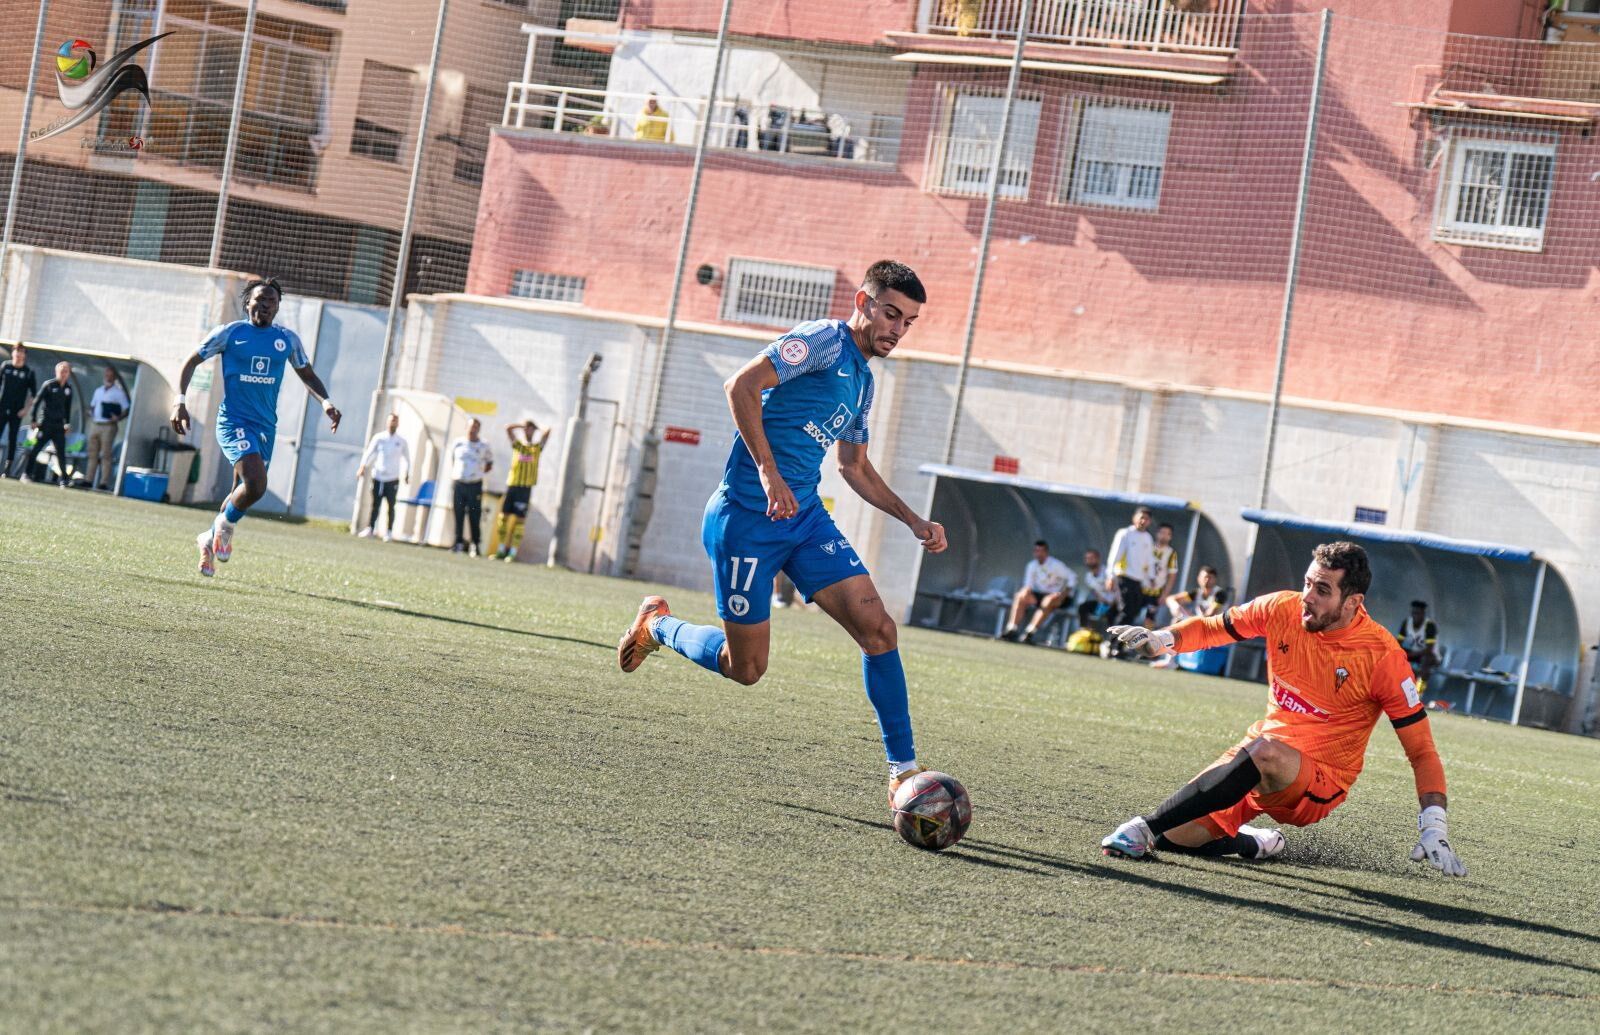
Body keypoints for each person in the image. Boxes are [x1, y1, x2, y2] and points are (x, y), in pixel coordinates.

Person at [616, 261, 948, 803]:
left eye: (909, 322)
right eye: (891, 314)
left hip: (803, 520)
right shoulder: (821, 340)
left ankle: (903, 771)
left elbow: (854, 467)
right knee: (745, 669)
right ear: (864, 304)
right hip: (745, 520)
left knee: (879, 630)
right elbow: (741, 386)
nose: (897, 329)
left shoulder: (863, 382)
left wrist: (913, 520)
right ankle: (659, 626)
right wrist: (769, 472)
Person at [1098, 542, 1467, 878]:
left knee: (1261, 755)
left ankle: (1140, 828)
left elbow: (1421, 752)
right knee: (1175, 837)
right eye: (1308, 583)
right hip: (1260, 754)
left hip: (1319, 780)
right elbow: (1213, 628)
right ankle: (1253, 843)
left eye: (1323, 590)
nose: (1307, 597)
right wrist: (1160, 641)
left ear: (1353, 602)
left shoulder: (1383, 657)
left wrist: (1434, 825)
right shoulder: (1281, 608)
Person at [171, 278, 342, 577]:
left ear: (277, 307)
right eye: (259, 299)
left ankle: (208, 540)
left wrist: (326, 402)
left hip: (265, 427)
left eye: (271, 301)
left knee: (245, 491)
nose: (264, 305)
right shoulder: (230, 333)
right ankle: (225, 527)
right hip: (234, 421)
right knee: (257, 483)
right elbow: (190, 362)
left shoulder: (287, 340)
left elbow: (307, 375)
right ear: (247, 302)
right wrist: (180, 401)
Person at [490, 418, 550, 561]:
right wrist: (522, 425)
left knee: (519, 520)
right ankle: (501, 549)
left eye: (530, 429)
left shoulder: (536, 448)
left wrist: (536, 427)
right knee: (503, 518)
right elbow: (508, 427)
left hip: (525, 488)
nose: (527, 430)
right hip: (512, 485)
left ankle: (512, 552)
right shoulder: (518, 445)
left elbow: (548, 431)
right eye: (526, 428)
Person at [1103, 506, 1158, 655]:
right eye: (1141, 517)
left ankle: (1118, 646)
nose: (1143, 521)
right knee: (1127, 610)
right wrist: (1110, 576)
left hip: (1137, 581)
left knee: (1132, 612)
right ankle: (1110, 642)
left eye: (1146, 519)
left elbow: (1149, 561)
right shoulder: (1125, 534)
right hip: (1123, 577)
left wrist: (1151, 577)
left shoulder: (1147, 538)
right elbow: (1114, 555)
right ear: (1134, 518)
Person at [1000, 539, 1076, 644]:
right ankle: (1012, 629)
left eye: (1041, 551)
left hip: (1060, 597)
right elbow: (1028, 585)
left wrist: (1062, 595)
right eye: (1036, 551)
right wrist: (1024, 592)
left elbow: (1072, 578)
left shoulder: (1056, 565)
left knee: (1048, 601)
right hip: (1041, 595)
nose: (1038, 554)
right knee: (1020, 596)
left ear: (1046, 552)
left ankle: (1030, 632)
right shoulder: (1031, 566)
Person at [357, 412, 411, 541]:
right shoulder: (379, 437)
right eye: (391, 420)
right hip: (379, 476)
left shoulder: (401, 441)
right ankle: (370, 528)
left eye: (395, 421)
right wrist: (362, 466)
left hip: (392, 479)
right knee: (376, 503)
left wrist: (407, 473)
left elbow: (407, 458)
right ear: (387, 422)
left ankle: (389, 531)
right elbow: (369, 452)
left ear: (398, 423)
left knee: (391, 505)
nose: (393, 423)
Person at [21, 361, 74, 486]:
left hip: (59, 426)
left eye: (66, 371)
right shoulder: (49, 385)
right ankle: (27, 474)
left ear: (69, 374)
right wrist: (34, 419)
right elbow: (37, 402)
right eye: (61, 371)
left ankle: (64, 479)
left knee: (61, 453)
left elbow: (68, 408)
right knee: (36, 449)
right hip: (45, 424)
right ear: (57, 372)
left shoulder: (68, 389)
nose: (63, 373)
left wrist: (68, 423)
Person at [448, 418, 493, 556]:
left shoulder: (484, 445)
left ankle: (475, 544)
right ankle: (458, 543)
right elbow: (453, 460)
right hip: (460, 483)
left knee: (474, 514)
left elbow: (489, 464)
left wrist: (477, 473)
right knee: (458, 513)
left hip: (474, 485)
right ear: (466, 427)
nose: (473, 429)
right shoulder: (458, 443)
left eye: (476, 427)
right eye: (471, 426)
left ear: (478, 429)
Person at [84, 365, 130, 490]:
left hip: (108, 426)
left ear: (114, 377)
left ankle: (103, 482)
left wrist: (118, 417)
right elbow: (93, 405)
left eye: (110, 375)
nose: (108, 377)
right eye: (106, 375)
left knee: (105, 455)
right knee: (92, 454)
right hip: (95, 424)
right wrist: (90, 411)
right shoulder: (98, 390)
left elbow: (126, 409)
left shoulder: (118, 393)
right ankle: (88, 479)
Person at [0, 343, 38, 477]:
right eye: (16, 351)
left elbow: (33, 394)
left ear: (25, 355)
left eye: (21, 351)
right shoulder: (6, 366)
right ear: (13, 353)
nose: (18, 354)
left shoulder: (28, 372)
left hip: (17, 411)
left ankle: (7, 468)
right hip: (2, 408)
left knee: (12, 438)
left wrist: (26, 409)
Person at [1397, 600, 1442, 692]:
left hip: (1430, 656)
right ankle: (1395, 691)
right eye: (1413, 613)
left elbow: (1429, 649)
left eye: (1417, 613)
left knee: (1426, 661)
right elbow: (1399, 642)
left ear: (1423, 614)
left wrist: (1410, 655)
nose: (1415, 616)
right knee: (1395, 657)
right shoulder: (1407, 623)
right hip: (1412, 654)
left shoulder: (1429, 625)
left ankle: (1418, 692)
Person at [1143, 522, 1180, 623]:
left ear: (1170, 537)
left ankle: (1147, 638)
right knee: (1130, 612)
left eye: (1167, 534)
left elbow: (1172, 576)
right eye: (1162, 532)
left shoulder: (1171, 553)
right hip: (1140, 587)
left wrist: (1165, 594)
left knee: (1150, 618)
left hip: (1156, 591)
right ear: (1157, 533)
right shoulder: (1147, 547)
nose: (1164, 536)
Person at [1076, 548, 1119, 631]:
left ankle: (1113, 639)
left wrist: (1112, 602)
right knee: (1083, 607)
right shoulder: (1088, 577)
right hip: (1102, 604)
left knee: (1111, 615)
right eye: (1087, 559)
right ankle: (1085, 631)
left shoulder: (1109, 573)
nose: (1089, 561)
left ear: (1098, 559)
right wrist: (1102, 602)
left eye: (1092, 558)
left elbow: (1116, 590)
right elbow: (1095, 592)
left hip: (1115, 604)